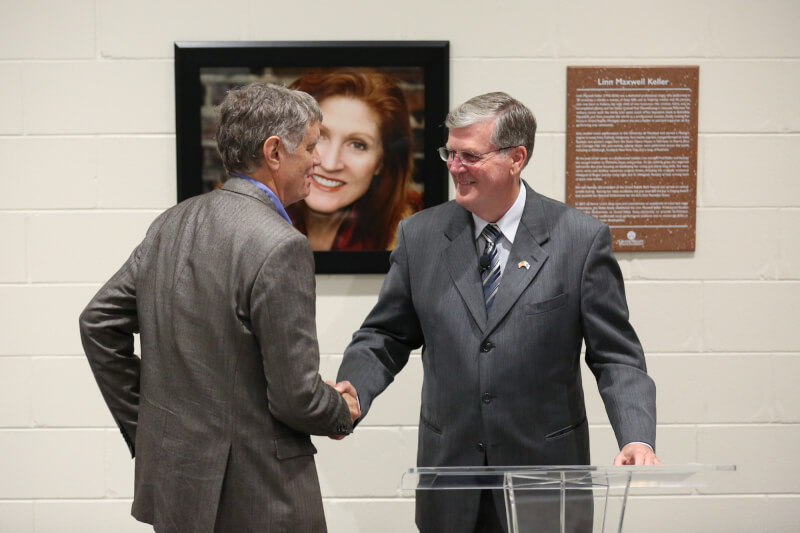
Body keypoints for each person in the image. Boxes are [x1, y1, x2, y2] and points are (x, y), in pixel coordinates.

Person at [337, 92, 659, 532]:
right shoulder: (421, 236)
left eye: (469, 155)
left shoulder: (579, 240)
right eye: (449, 152)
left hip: (545, 483)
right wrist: (354, 392)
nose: (453, 166)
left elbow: (616, 355)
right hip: (451, 480)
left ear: (516, 158)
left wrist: (636, 436)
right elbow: (385, 336)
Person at [79, 82, 360, 533]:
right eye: (310, 146)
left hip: (176, 490)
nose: (318, 160)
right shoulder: (281, 245)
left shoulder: (170, 223)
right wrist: (340, 409)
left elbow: (97, 323)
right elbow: (296, 398)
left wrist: (148, 431)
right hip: (260, 499)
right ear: (274, 152)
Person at [287, 71, 421, 251]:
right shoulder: (244, 219)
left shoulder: (419, 230)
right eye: (319, 136)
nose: (330, 164)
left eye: (358, 145)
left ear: (381, 162)